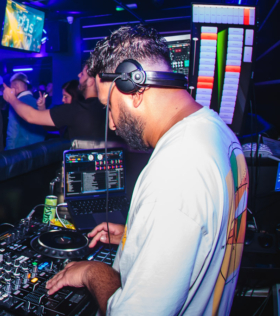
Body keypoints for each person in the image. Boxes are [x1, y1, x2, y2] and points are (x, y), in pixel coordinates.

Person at [45, 25, 248, 316]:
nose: (112, 124)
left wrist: (91, 272)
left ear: (135, 90)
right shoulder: (218, 131)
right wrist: (136, 235)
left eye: (110, 107)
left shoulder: (176, 170)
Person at [3, 62, 117, 143]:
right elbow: (48, 126)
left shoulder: (76, 110)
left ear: (91, 81)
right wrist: (42, 107)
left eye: (82, 74)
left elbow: (31, 116)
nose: (78, 75)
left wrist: (11, 98)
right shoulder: (108, 107)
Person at [5, 73, 46, 150]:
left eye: (11, 87)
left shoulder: (15, 104)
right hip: (38, 149)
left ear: (16, 86)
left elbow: (12, 133)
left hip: (20, 151)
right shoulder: (38, 103)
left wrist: (8, 152)